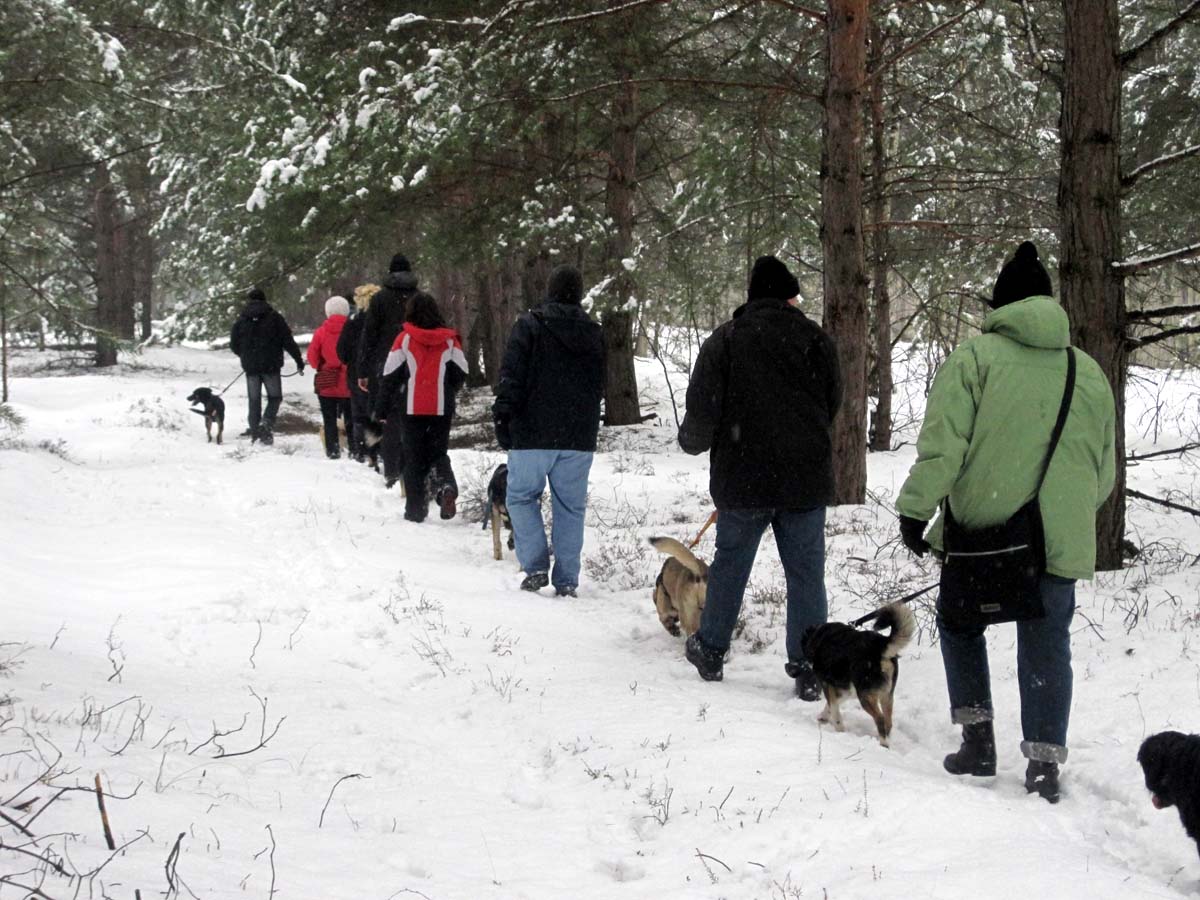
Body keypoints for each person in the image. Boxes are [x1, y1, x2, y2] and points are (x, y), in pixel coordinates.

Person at [896, 240, 1116, 804]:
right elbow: (1106, 472)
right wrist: (1062, 516)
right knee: (1047, 646)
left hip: (983, 535)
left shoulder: (974, 359)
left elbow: (943, 448)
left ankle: (978, 743)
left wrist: (916, 510)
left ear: (1000, 304)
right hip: (1057, 541)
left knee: (960, 625)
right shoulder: (1086, 370)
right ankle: (1043, 766)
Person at [677, 255, 842, 699]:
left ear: (752, 295)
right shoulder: (815, 340)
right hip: (804, 479)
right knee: (806, 573)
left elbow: (703, 406)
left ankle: (710, 649)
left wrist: (693, 440)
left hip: (743, 477)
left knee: (730, 566)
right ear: (789, 297)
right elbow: (832, 402)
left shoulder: (727, 340)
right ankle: (809, 665)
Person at [492, 264, 605, 598]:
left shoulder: (529, 325)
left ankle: (536, 566)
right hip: (578, 436)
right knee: (570, 507)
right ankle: (567, 578)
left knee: (521, 497)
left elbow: (511, 376)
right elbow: (599, 384)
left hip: (532, 431)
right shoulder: (594, 332)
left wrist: (503, 415)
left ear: (550, 291)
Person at [376, 292, 467, 522]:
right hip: (440, 406)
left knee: (413, 457)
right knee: (438, 453)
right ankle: (445, 486)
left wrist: (382, 408)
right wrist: (449, 391)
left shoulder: (404, 339)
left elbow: (390, 375)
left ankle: (415, 511)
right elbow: (461, 372)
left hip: (412, 407)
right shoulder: (450, 340)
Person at [358, 255, 419, 487]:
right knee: (415, 419)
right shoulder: (420, 299)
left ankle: (392, 470)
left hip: (386, 365)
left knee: (390, 419)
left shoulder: (380, 300)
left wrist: (363, 370)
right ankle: (414, 469)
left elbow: (369, 335)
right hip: (417, 364)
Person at [229, 287, 305, 445]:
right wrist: (299, 361)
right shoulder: (275, 317)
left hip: (251, 368)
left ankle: (255, 430)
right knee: (275, 397)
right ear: (264, 300)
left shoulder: (242, 320)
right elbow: (288, 341)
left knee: (254, 400)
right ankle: (266, 424)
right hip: (271, 365)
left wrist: (244, 356)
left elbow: (234, 344)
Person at [338, 283, 381, 465]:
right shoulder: (383, 322)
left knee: (358, 416)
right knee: (379, 413)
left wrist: (351, 361)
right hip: (379, 373)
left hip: (356, 374)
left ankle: (361, 451)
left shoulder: (353, 322)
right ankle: (379, 450)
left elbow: (341, 351)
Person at [307, 295, 353, 460]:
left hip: (327, 381)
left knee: (329, 418)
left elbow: (312, 359)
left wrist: (322, 364)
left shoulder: (321, 332)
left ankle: (332, 449)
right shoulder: (354, 330)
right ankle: (354, 448)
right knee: (351, 416)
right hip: (349, 381)